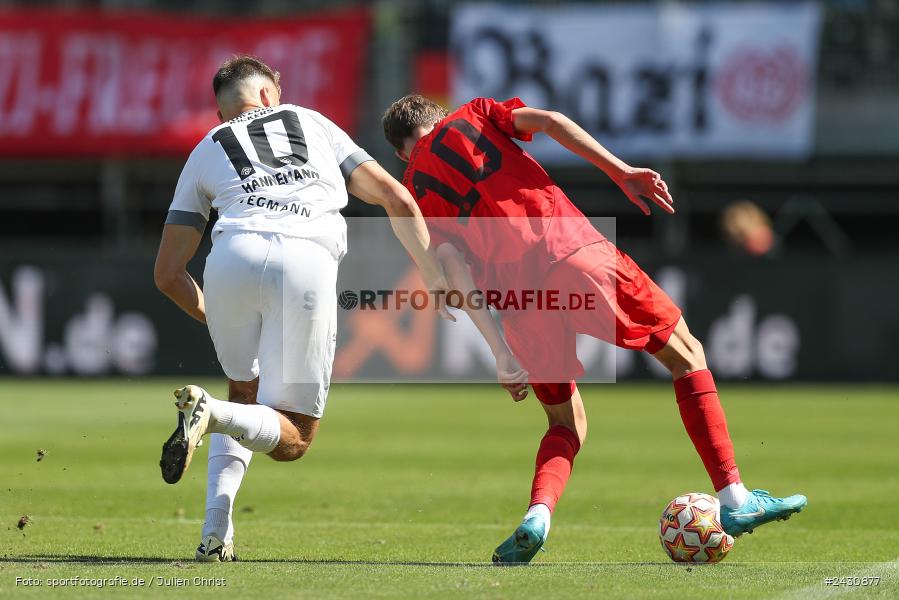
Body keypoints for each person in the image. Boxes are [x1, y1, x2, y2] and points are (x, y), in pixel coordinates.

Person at [382, 95, 807, 564]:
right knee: (686, 353)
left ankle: (537, 517)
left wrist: (500, 351)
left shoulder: (414, 189)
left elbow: (448, 264)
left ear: (401, 152)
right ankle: (734, 497)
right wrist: (620, 171)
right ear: (437, 118)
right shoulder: (473, 114)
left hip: (517, 300)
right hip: (569, 250)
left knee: (566, 423)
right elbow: (548, 121)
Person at [154, 57, 448, 562]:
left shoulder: (204, 150)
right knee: (293, 439)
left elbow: (167, 274)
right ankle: (214, 413)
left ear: (222, 109)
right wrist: (435, 275)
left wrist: (216, 314)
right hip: (305, 260)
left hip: (230, 256)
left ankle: (214, 532)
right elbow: (396, 197)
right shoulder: (311, 121)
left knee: (244, 391)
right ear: (269, 96)